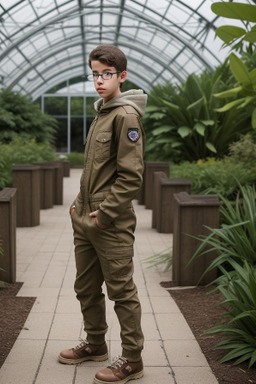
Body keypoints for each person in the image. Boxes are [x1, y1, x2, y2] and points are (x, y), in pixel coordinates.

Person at [58, 44, 147, 384]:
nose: (99, 80)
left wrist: (105, 214)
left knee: (122, 291)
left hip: (109, 222)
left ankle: (132, 360)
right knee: (86, 286)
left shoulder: (126, 116)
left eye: (106, 74)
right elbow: (93, 170)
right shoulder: (103, 112)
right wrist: (77, 208)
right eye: (94, 73)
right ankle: (95, 343)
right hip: (85, 217)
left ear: (121, 76)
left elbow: (131, 176)